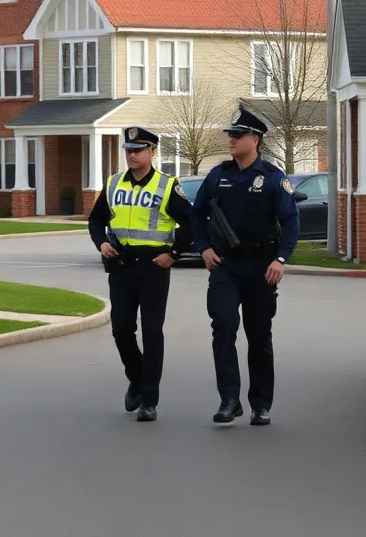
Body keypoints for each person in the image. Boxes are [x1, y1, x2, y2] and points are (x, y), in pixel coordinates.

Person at [192, 105, 298, 427]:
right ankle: (229, 399)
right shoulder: (218, 175)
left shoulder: (272, 179)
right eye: (231, 134)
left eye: (238, 135)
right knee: (223, 326)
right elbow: (196, 215)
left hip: (261, 267)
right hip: (226, 266)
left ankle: (261, 404)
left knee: (258, 335)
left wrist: (280, 259)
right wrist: (204, 249)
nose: (231, 140)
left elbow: (291, 220)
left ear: (256, 139)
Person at [87, 126, 196, 422]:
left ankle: (149, 400)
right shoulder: (113, 184)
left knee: (151, 331)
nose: (131, 155)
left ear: (152, 152)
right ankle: (136, 377)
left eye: (138, 149)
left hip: (153, 268)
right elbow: (95, 220)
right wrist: (102, 243)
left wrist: (173, 254)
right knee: (121, 330)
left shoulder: (166, 185)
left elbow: (190, 223)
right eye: (128, 150)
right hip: (121, 266)